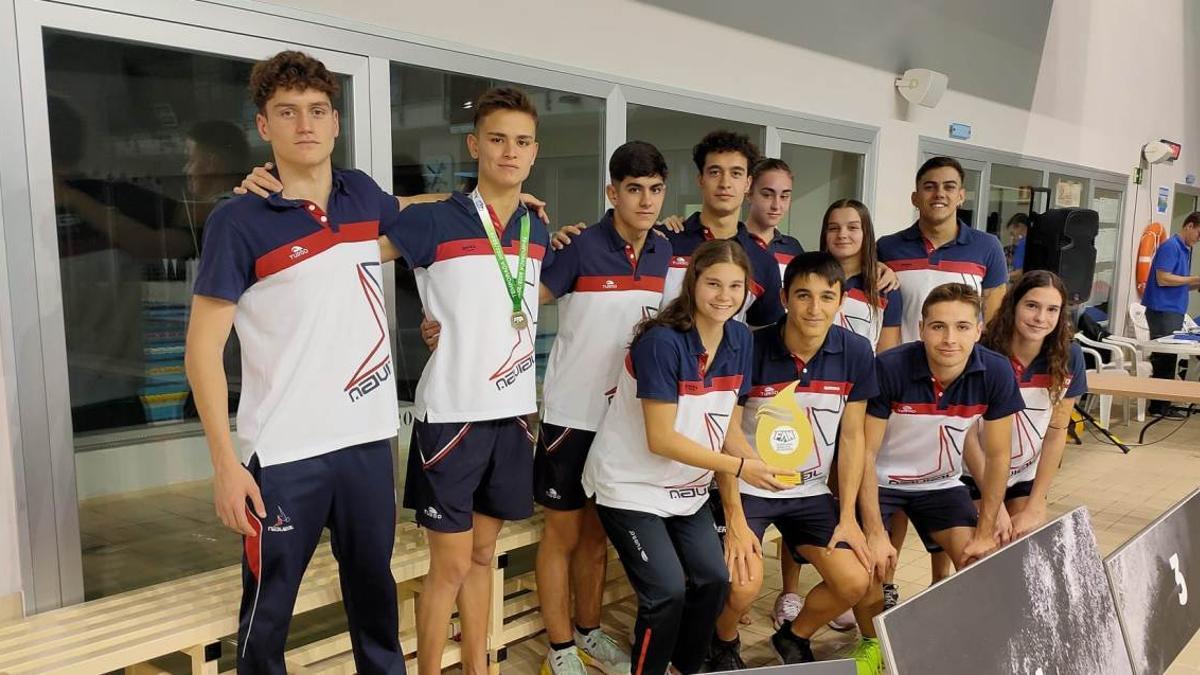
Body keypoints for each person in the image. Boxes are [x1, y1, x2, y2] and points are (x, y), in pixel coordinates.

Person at [186, 50, 405, 673]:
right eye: (287, 112)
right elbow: (202, 352)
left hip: (366, 442)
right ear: (264, 126)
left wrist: (512, 203)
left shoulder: (362, 195)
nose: (304, 125)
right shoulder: (239, 219)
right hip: (282, 455)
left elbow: (422, 216)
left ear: (335, 121)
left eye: (316, 111)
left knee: (376, 600)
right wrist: (225, 466)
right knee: (267, 615)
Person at [581, 239, 793, 675]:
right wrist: (740, 466)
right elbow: (661, 439)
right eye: (713, 283)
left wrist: (745, 491)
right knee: (667, 592)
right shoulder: (661, 343)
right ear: (693, 282)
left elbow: (727, 427)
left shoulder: (739, 339)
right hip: (630, 488)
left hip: (687, 489)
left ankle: (685, 666)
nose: (724, 296)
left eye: (735, 287)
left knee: (714, 581)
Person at [531, 141, 673, 675]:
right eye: (633, 189)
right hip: (573, 417)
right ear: (612, 192)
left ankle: (587, 633)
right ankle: (560, 648)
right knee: (562, 537)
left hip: (627, 424)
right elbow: (518, 302)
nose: (645, 200)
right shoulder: (577, 246)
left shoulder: (664, 252)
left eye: (655, 190)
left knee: (595, 537)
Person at [702, 252, 874, 671]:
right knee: (743, 587)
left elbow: (852, 438)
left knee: (855, 579)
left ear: (841, 301)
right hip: (748, 489)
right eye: (803, 296)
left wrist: (848, 515)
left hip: (810, 493)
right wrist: (735, 518)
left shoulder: (855, 350)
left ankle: (793, 635)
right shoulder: (748, 347)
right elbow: (726, 436)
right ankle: (722, 641)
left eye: (826, 297)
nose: (814, 308)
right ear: (783, 298)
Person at [854, 283, 1025, 674]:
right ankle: (871, 643)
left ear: (979, 330)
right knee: (871, 568)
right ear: (921, 327)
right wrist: (876, 534)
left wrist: (986, 528)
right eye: (939, 327)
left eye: (963, 327)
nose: (950, 339)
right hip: (881, 481)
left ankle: (957, 642)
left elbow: (999, 456)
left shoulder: (995, 371)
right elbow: (864, 453)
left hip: (941, 484)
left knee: (980, 561)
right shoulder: (890, 367)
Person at [876, 156, 1009, 588]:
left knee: (944, 476)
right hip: (900, 372)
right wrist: (893, 365)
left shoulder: (986, 247)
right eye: (930, 186)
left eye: (949, 186)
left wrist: (972, 366)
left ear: (962, 195)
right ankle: (885, 588)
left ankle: (940, 588)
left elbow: (992, 313)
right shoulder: (888, 247)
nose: (940, 194)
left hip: (959, 376)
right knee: (891, 480)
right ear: (916, 196)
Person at [961, 271, 1088, 539]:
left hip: (1023, 478)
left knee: (1025, 546)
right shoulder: (982, 353)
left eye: (1052, 309)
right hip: (974, 474)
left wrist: (1036, 504)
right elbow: (967, 434)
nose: (1041, 318)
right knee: (983, 550)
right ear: (1013, 304)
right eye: (1032, 306)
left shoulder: (1069, 356)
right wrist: (994, 505)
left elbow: (1056, 433)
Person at [821, 199, 903, 353]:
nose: (842, 234)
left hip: (862, 376)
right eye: (833, 228)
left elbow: (886, 355)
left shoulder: (885, 287)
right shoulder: (810, 277)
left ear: (866, 233)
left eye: (852, 227)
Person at [1142, 211, 1200, 418]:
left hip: (1173, 309)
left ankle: (1163, 403)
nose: (1198, 239)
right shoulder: (1170, 246)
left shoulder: (1185, 249)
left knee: (1170, 359)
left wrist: (1195, 283)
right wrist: (1194, 278)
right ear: (1190, 226)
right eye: (1199, 233)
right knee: (1164, 358)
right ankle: (1158, 407)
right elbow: (1163, 279)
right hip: (1162, 310)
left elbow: (1177, 285)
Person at [744, 158, 805, 277]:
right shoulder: (732, 242)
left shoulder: (793, 248)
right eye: (767, 195)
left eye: (784, 196)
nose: (776, 205)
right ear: (749, 193)